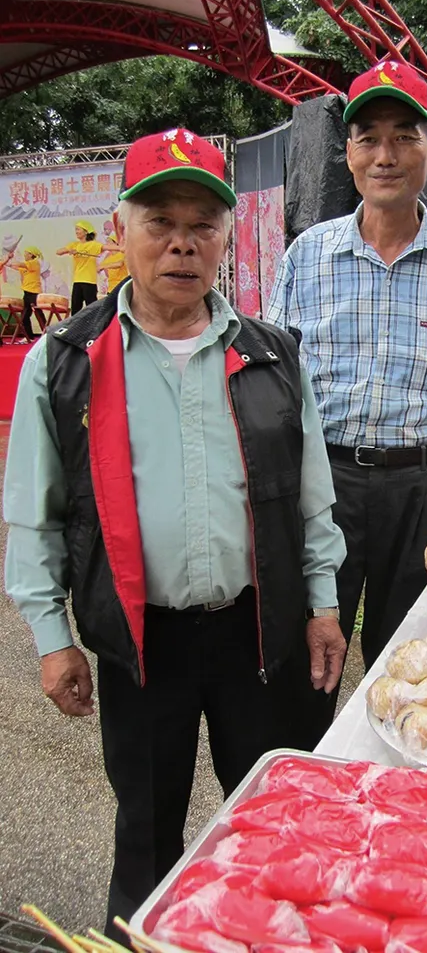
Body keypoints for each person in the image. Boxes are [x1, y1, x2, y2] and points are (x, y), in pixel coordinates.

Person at [4, 128, 347, 940]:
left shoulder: (272, 356)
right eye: (161, 220)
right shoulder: (66, 361)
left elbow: (312, 499)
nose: (183, 242)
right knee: (146, 833)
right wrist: (54, 640)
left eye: (203, 221)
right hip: (141, 644)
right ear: (121, 229)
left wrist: (325, 605)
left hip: (257, 635)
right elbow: (33, 515)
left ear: (227, 236)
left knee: (270, 823)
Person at [267, 60, 427, 735]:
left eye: (405, 136)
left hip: (425, 488)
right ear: (347, 154)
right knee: (307, 658)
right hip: (326, 484)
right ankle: (304, 781)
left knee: (415, 667)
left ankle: (393, 799)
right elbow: (274, 390)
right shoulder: (306, 258)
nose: (386, 155)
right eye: (368, 137)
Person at [57, 220, 103, 313]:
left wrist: (123, 248)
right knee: (75, 309)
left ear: (86, 232)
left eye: (78, 229)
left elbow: (107, 247)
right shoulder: (74, 244)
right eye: (76, 230)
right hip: (77, 281)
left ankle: (93, 327)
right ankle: (76, 327)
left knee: (92, 309)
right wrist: (69, 250)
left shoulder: (93, 244)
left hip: (89, 281)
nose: (76, 232)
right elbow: (58, 252)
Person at [9, 245, 44, 341]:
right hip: (27, 293)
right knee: (25, 315)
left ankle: (46, 335)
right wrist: (8, 258)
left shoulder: (34, 263)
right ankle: (29, 336)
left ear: (31, 254)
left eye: (26, 253)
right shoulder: (26, 265)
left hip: (34, 292)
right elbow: (13, 265)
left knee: (39, 314)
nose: (24, 254)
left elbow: (20, 264)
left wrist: (12, 260)